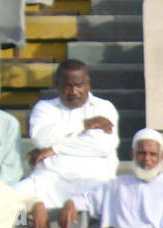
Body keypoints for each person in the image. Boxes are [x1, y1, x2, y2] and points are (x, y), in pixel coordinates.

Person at [14, 60, 118, 208]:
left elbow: (101, 146)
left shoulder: (103, 108)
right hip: (50, 178)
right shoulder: (45, 107)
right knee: (14, 196)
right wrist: (84, 124)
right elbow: (40, 139)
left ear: (88, 83)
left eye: (79, 85)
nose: (74, 91)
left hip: (91, 178)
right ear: (57, 84)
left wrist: (55, 149)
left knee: (108, 195)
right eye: (68, 86)